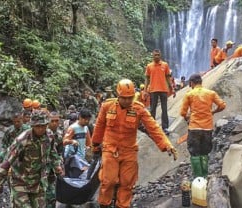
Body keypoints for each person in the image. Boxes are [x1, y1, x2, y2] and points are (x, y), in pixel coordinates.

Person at [91, 79, 177, 208]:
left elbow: (153, 127)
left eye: (130, 98)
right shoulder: (107, 106)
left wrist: (166, 145)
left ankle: (123, 205)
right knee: (108, 181)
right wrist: (95, 144)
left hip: (129, 151)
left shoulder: (138, 109)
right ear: (118, 95)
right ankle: (104, 205)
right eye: (124, 98)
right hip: (110, 149)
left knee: (127, 183)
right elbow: (99, 126)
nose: (127, 101)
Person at [0, 110, 63, 207]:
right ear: (32, 126)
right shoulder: (22, 140)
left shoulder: (49, 136)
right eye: (37, 126)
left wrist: (57, 166)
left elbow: (53, 152)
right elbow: (6, 164)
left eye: (43, 125)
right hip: (20, 182)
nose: (41, 129)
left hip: (38, 183)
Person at [180, 74, 226, 178]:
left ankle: (198, 177)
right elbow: (222, 105)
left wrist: (188, 117)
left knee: (194, 152)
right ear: (201, 82)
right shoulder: (211, 93)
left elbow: (183, 112)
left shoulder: (189, 94)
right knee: (205, 152)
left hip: (194, 128)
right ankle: (204, 176)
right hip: (207, 128)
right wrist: (213, 111)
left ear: (191, 83)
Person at [144, 49, 173, 135]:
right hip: (153, 90)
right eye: (155, 55)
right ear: (152, 55)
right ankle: (152, 127)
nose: (157, 56)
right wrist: (145, 90)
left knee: (164, 109)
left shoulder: (165, 65)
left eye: (158, 55)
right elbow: (147, 78)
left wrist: (171, 87)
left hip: (164, 89)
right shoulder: (149, 66)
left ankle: (165, 127)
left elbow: (168, 77)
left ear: (160, 55)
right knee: (152, 109)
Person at [63, 109, 92, 178]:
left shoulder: (86, 128)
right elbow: (64, 141)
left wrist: (89, 149)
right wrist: (72, 141)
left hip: (82, 158)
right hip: (73, 158)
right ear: (80, 117)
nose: (87, 121)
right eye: (85, 119)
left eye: (88, 120)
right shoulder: (73, 128)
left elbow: (89, 143)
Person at [46, 111, 64, 208]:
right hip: (40, 169)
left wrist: (60, 165)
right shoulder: (42, 132)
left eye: (56, 121)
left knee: (52, 195)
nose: (54, 123)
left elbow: (60, 152)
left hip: (53, 169)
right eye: (52, 121)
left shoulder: (60, 134)